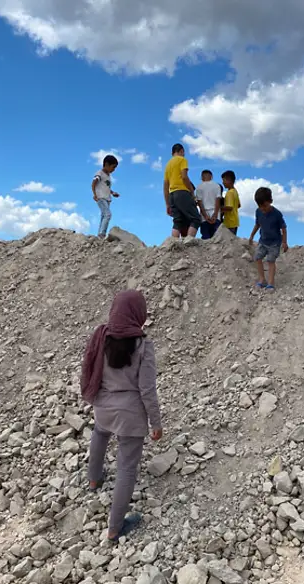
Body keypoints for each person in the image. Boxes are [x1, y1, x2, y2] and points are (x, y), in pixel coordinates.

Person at [79, 290, 163, 542]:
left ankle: (94, 480)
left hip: (102, 406)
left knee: (100, 434)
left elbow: (90, 367)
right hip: (130, 415)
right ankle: (115, 528)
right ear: (139, 314)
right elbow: (147, 388)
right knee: (126, 469)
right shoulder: (143, 345)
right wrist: (155, 422)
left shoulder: (101, 336)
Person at [248, 187, 288, 291]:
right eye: (260, 206)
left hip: (274, 243)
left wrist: (284, 242)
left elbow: (283, 228)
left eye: (264, 206)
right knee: (257, 257)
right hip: (263, 241)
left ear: (270, 201)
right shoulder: (258, 212)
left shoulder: (277, 214)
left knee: (271, 261)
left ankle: (271, 283)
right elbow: (257, 224)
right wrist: (252, 235)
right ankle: (262, 280)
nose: (263, 209)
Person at [163, 144, 199, 238]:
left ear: (172, 153)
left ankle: (173, 244)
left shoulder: (168, 165)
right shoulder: (182, 160)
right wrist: (191, 191)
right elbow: (184, 176)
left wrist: (167, 204)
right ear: (182, 151)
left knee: (178, 221)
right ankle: (188, 243)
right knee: (195, 219)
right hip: (182, 192)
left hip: (172, 195)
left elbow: (165, 185)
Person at [92, 155, 120, 238]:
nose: (114, 170)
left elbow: (106, 187)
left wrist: (113, 193)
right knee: (108, 215)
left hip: (107, 199)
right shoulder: (100, 174)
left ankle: (99, 235)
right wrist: (95, 195)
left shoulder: (108, 176)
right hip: (101, 198)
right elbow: (93, 183)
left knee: (103, 216)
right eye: (113, 167)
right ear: (107, 164)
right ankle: (102, 234)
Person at [194, 169, 223, 239]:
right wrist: (215, 214)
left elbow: (200, 203)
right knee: (216, 238)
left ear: (202, 177)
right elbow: (218, 200)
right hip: (216, 214)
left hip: (204, 216)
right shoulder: (217, 186)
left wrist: (205, 216)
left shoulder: (199, 187)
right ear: (211, 177)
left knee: (206, 238)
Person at [220, 170, 241, 235]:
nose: (223, 183)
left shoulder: (229, 193)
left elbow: (229, 208)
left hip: (229, 222)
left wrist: (218, 208)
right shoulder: (235, 191)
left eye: (223, 180)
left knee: (228, 242)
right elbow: (239, 205)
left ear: (229, 180)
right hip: (235, 221)